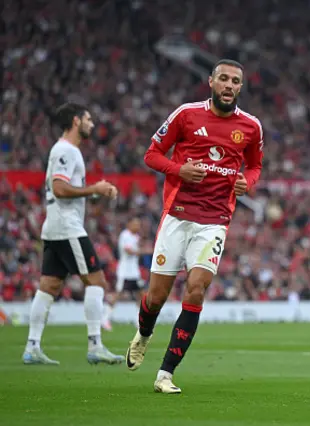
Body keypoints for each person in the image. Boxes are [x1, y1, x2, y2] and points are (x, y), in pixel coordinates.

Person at [125, 59, 264, 394]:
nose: (230, 85)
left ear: (241, 87)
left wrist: (249, 182)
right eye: (224, 79)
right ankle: (144, 334)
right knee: (156, 297)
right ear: (211, 82)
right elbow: (151, 154)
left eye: (236, 81)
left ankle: (165, 374)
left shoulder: (251, 126)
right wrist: (178, 170)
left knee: (196, 289)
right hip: (177, 215)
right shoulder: (186, 114)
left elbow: (255, 166)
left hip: (214, 220)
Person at [22, 102, 123, 365]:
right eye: (88, 119)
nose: (92, 124)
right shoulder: (66, 150)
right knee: (97, 282)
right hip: (67, 227)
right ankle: (95, 345)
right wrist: (95, 189)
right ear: (76, 121)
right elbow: (59, 188)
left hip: (55, 226)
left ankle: (32, 346)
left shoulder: (66, 150)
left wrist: (96, 191)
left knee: (49, 286)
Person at [102, 217, 144, 330]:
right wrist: (142, 251)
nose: (138, 226)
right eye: (136, 224)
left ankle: (138, 320)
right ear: (129, 224)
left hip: (134, 271)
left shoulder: (136, 237)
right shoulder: (125, 235)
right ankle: (105, 318)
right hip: (125, 271)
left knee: (140, 295)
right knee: (118, 294)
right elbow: (128, 251)